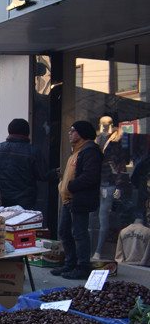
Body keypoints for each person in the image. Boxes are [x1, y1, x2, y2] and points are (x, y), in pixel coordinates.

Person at [53, 120, 103, 280]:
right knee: (64, 232)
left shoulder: (90, 151)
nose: (69, 133)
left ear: (81, 133)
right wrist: (63, 186)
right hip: (68, 200)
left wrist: (71, 186)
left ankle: (82, 267)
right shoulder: (76, 151)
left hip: (79, 199)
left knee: (79, 233)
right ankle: (70, 263)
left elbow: (90, 176)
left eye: (73, 130)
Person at [0, 118, 55, 210]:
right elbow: (43, 175)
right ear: (27, 133)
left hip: (0, 199)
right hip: (24, 201)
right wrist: (55, 172)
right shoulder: (33, 151)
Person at [93, 115, 130, 260]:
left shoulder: (117, 139)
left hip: (108, 183)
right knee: (92, 217)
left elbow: (122, 162)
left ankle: (98, 250)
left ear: (112, 124)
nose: (105, 126)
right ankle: (91, 250)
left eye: (107, 124)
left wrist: (118, 185)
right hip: (95, 181)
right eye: (102, 123)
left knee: (104, 216)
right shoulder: (96, 138)